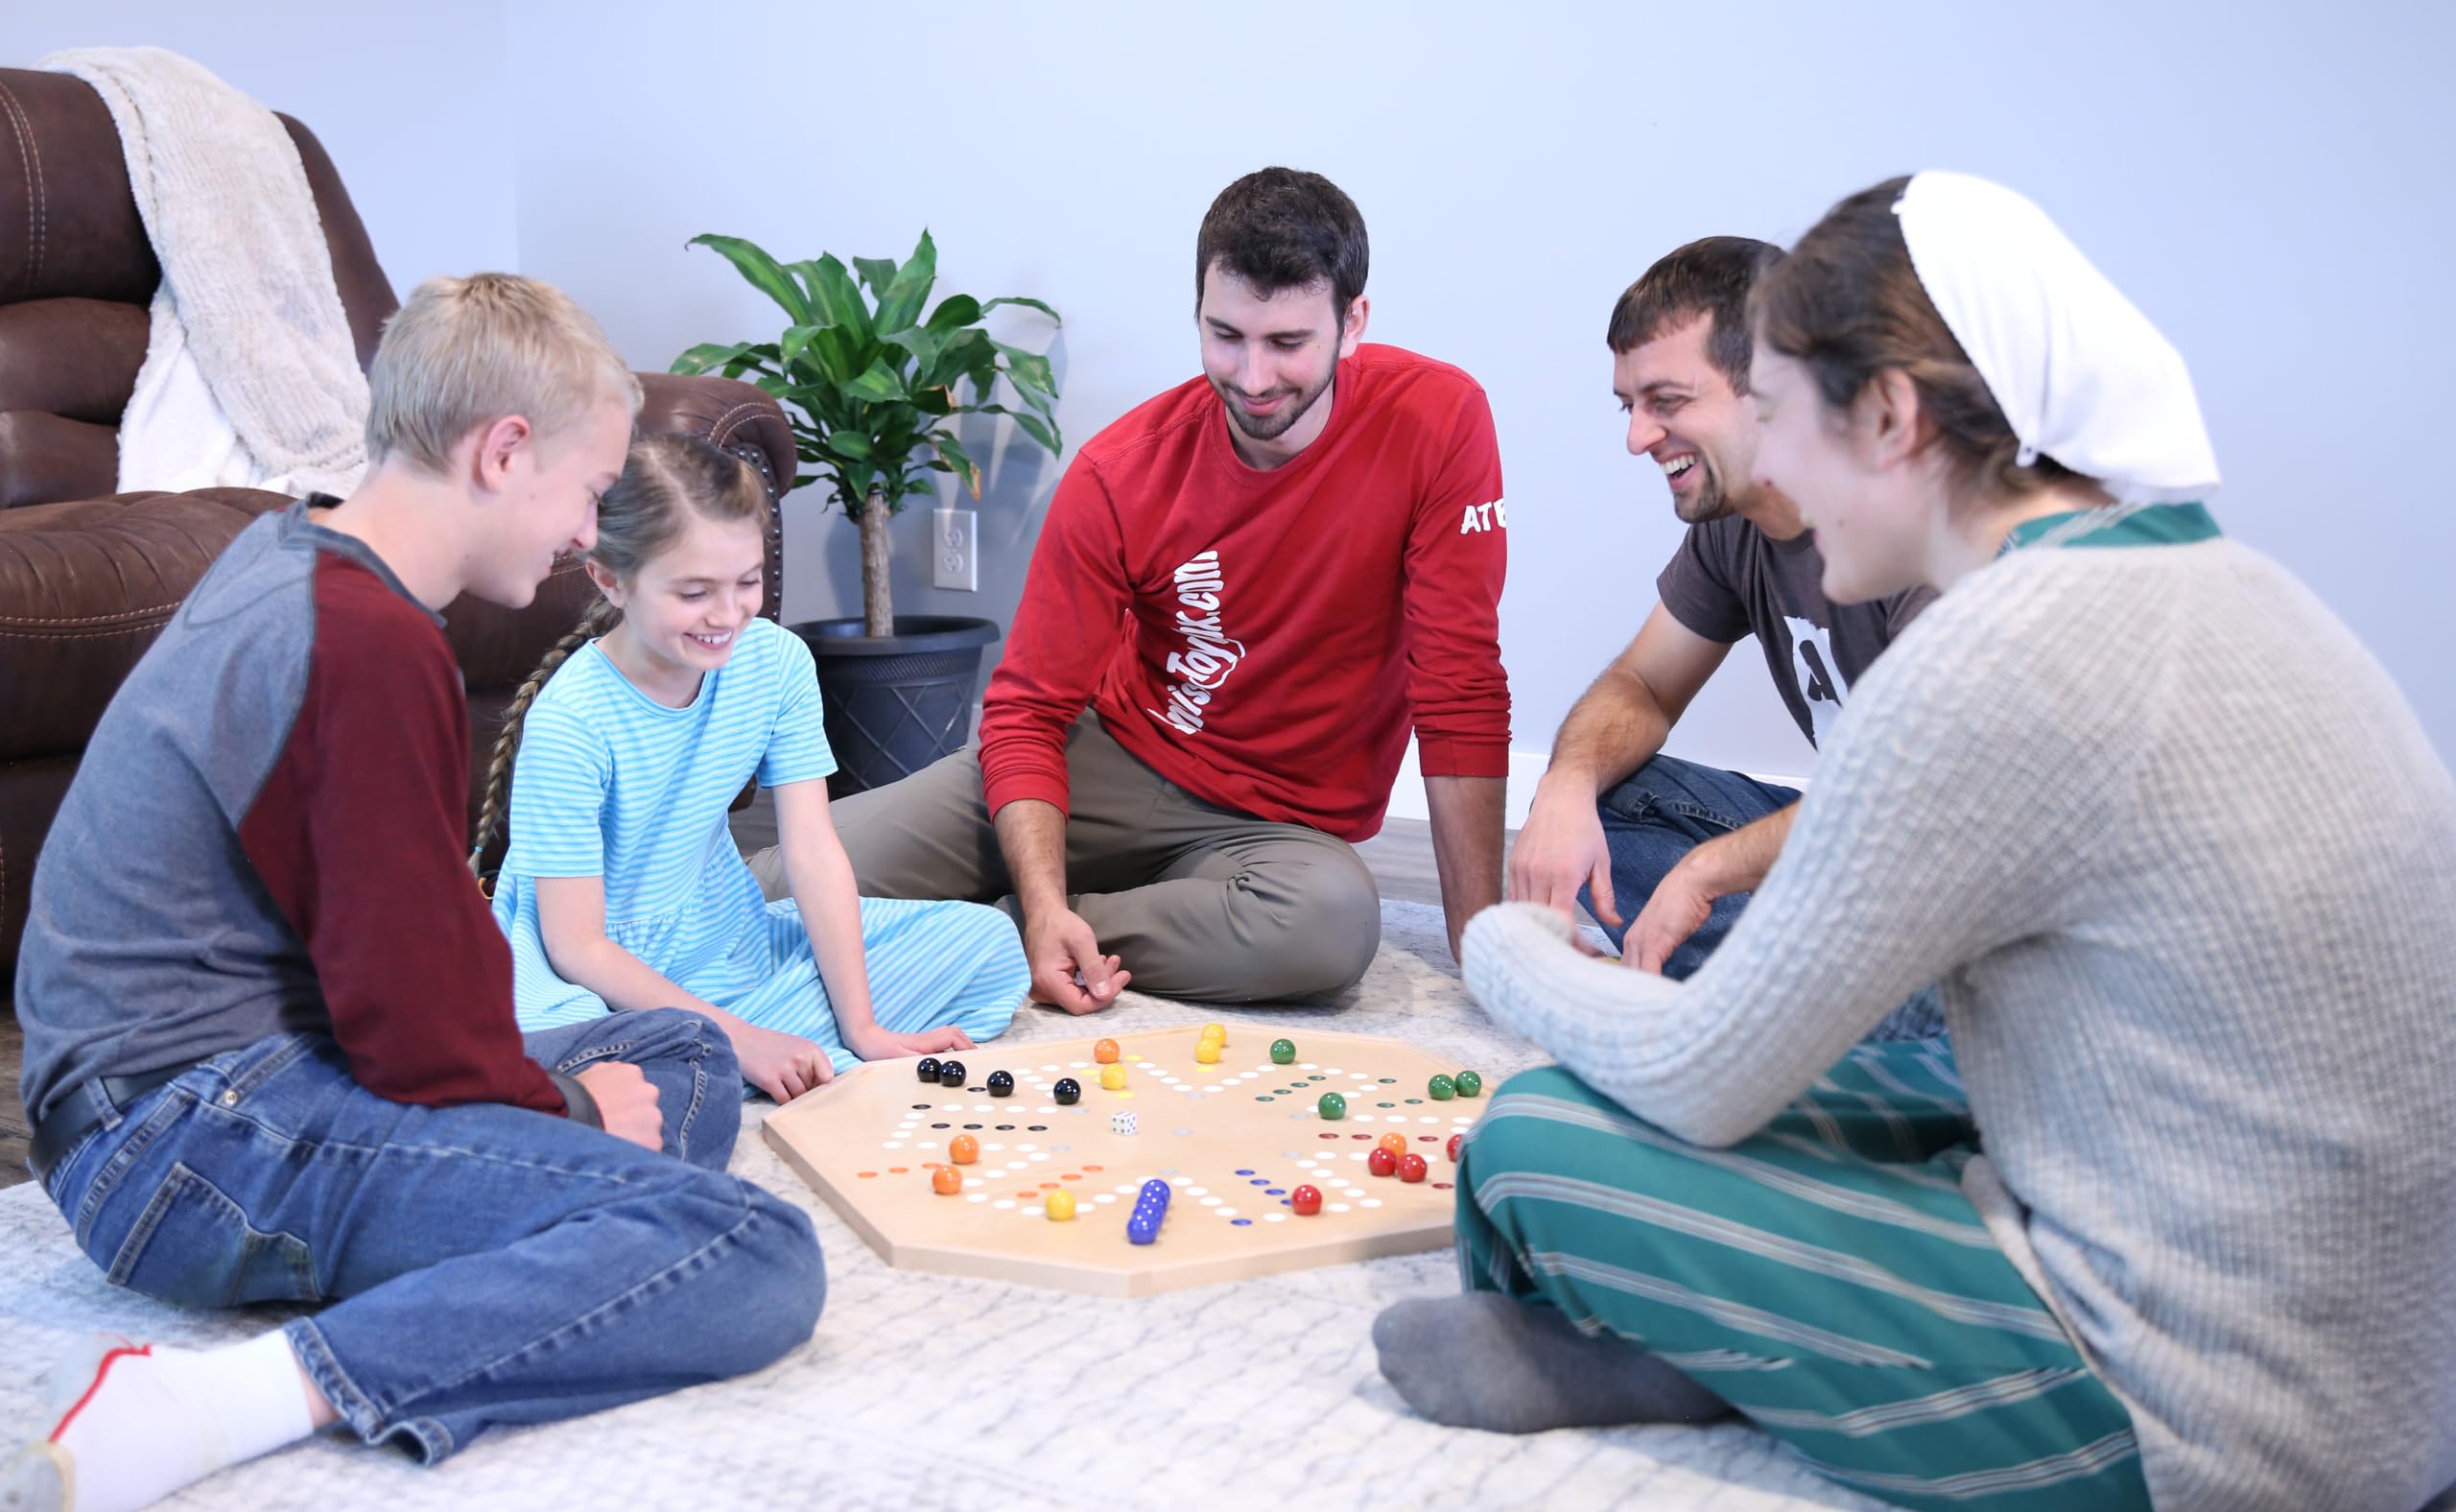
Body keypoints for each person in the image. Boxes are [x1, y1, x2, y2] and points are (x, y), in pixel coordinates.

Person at [1375, 174, 2456, 1512]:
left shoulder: (1990, 653)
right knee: (1810, 1089)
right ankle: (1744, 1349)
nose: (1787, 475)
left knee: (1538, 1135)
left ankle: (1718, 1353)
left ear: (1888, 416)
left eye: (1790, 409)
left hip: (2225, 1441)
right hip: (2390, 1390)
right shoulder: (2212, 577)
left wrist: (1512, 944)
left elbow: (1707, 1075)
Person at [3, 275, 823, 1512]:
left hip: (203, 1092)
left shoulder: (301, 554)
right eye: (581, 487)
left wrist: (571, 1101)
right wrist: (563, 1118)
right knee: (748, 1249)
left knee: (681, 1053)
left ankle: (479, 1258)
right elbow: (416, 1036)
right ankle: (217, 1400)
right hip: (177, 1136)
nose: (576, 533)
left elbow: (410, 966)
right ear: (502, 450)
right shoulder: (365, 639)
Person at [746, 168, 1511, 1011]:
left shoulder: (1440, 423)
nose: (1253, 376)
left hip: (1274, 829)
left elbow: (1460, 688)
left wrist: (1484, 946)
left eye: (1287, 342)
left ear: (1353, 321)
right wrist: (1046, 901)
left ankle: (988, 932)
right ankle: (1033, 919)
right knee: (768, 890)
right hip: (1105, 756)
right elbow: (1027, 711)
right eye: (1226, 336)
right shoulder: (1123, 470)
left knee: (1330, 925)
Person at [477, 432, 1031, 1101]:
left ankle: (747, 1052)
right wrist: (740, 1036)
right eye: (693, 592)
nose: (727, 614)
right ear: (609, 579)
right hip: (584, 979)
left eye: (746, 582)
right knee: (572, 1057)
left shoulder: (776, 663)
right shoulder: (571, 721)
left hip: (725, 944)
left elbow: (811, 847)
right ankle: (735, 1050)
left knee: (989, 944)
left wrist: (864, 1026)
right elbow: (576, 947)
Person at [1508, 237, 1937, 1037]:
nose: (1638, 437)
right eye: (1628, 405)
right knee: (1611, 792)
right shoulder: (1737, 522)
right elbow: (1644, 684)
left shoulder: (1921, 522)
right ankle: (1785, 1002)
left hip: (1969, 902)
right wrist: (1565, 783)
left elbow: (1914, 796)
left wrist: (1706, 872)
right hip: (1854, 873)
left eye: (1666, 402)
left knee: (1933, 990)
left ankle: (1810, 1014)